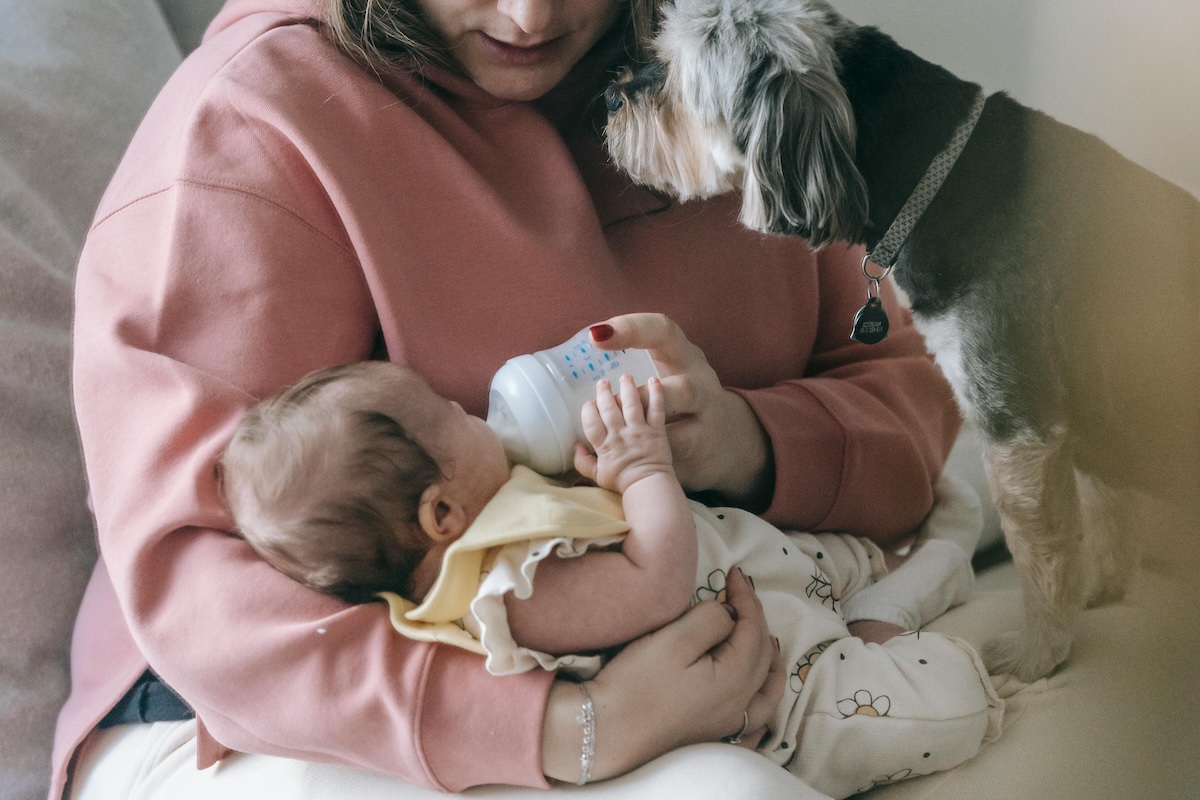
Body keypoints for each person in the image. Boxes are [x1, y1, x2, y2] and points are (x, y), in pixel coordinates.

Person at [58, 0, 965, 796]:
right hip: (263, 716)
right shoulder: (257, 119)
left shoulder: (746, 64)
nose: (530, 16)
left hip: (705, 634)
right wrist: (572, 726)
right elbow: (203, 589)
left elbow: (910, 388)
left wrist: (747, 441)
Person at [218, 359, 999, 799]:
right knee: (935, 707)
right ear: (443, 514)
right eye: (448, 413)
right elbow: (654, 583)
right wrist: (643, 468)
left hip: (765, 569)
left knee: (875, 551)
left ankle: (908, 575)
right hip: (776, 680)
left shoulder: (495, 517)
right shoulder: (512, 589)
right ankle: (924, 648)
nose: (467, 403)